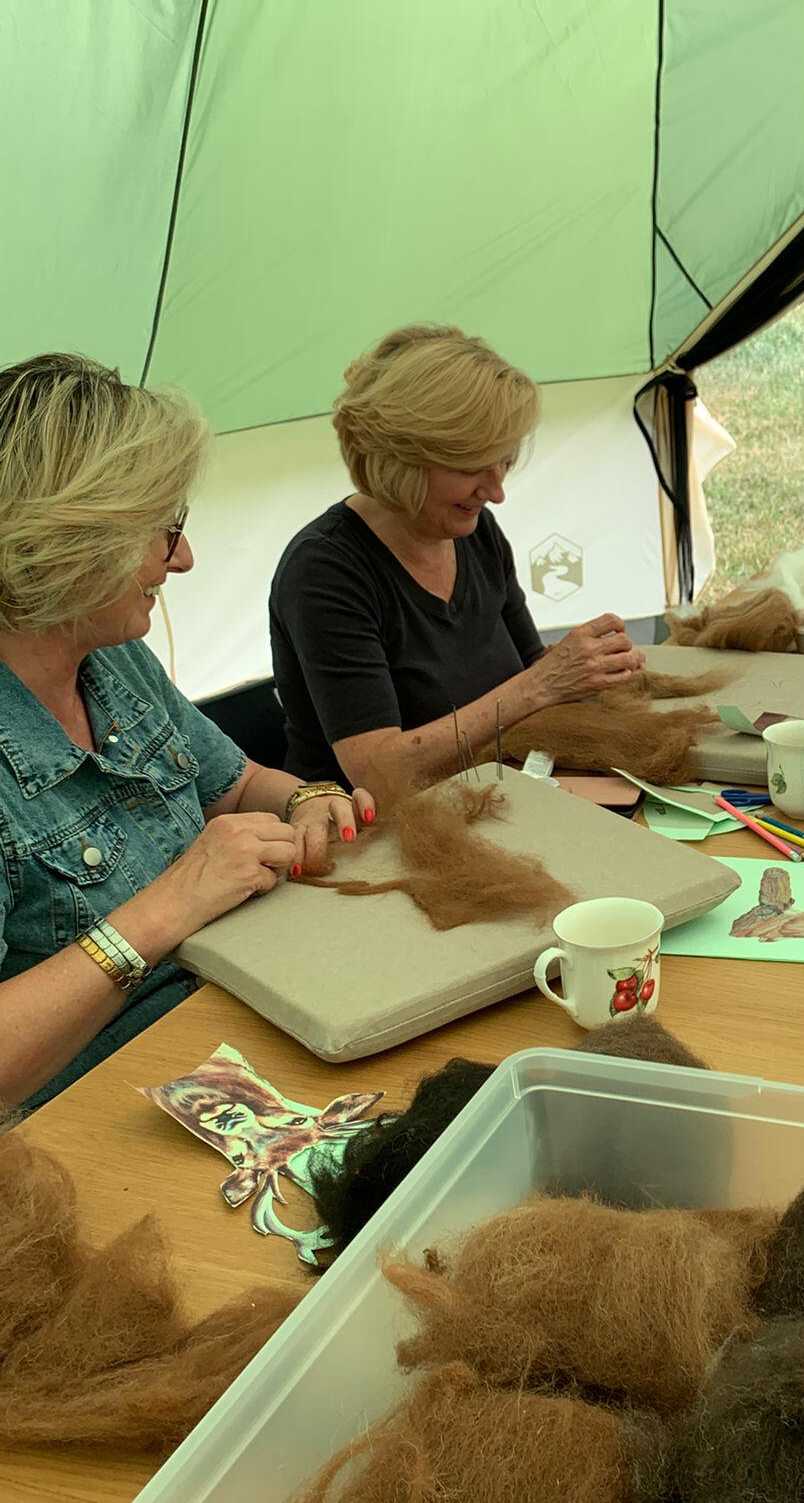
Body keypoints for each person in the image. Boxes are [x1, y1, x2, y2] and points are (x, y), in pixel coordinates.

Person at [0, 354, 372, 1112]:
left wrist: (306, 798)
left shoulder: (109, 653)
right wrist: (167, 909)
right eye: (163, 531)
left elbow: (231, 785)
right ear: (68, 542)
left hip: (234, 1025)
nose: (186, 559)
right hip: (92, 1113)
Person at [269, 324, 645, 793]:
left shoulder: (474, 531)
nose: (496, 491)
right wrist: (541, 685)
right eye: (471, 467)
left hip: (487, 792)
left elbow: (531, 670)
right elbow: (378, 773)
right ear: (400, 457)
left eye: (504, 460)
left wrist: (588, 670)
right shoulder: (325, 572)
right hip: (369, 823)